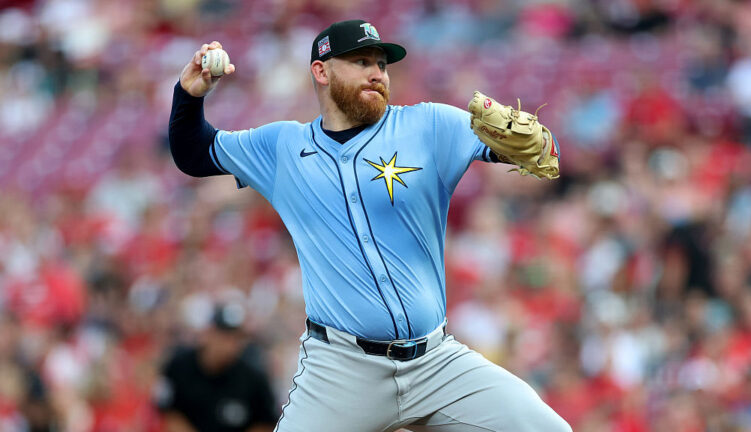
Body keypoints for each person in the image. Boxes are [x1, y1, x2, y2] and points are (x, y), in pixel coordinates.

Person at [168, 19, 571, 432]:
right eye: (361, 61)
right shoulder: (281, 148)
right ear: (321, 71)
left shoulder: (429, 126)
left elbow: (541, 151)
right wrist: (189, 95)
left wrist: (540, 143)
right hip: (342, 372)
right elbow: (193, 153)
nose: (377, 73)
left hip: (436, 363)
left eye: (382, 63)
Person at [154, 302, 278, 432]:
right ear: (208, 333)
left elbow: (266, 422)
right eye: (224, 336)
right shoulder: (179, 367)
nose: (230, 345)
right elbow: (168, 412)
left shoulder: (253, 378)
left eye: (236, 339)